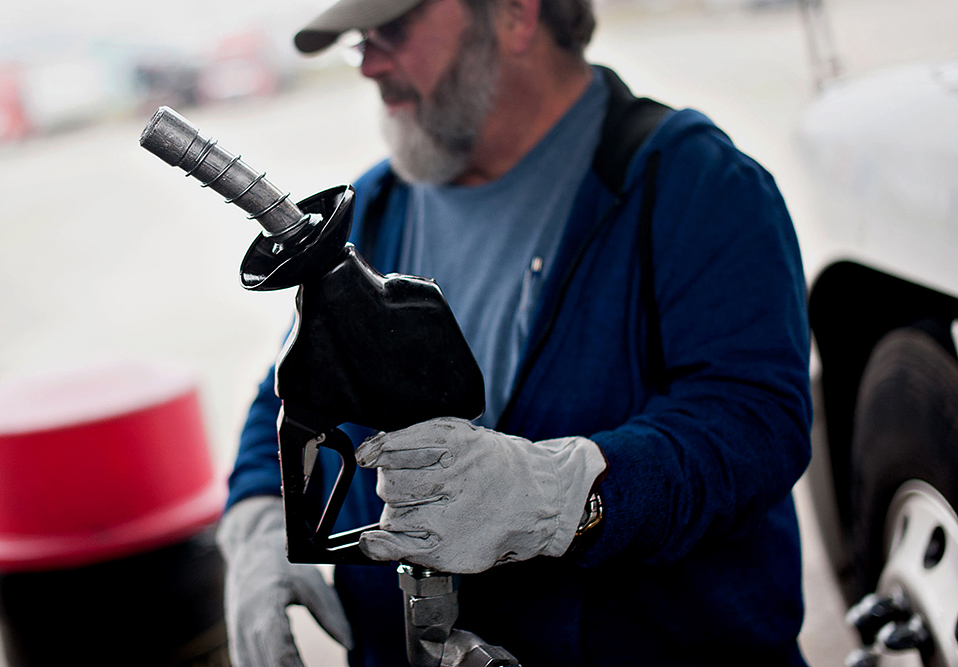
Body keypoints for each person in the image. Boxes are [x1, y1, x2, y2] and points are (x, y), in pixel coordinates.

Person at [216, 0, 812, 665]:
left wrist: (562, 492)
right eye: (360, 42)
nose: (371, 64)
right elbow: (290, 389)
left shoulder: (694, 187)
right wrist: (256, 521)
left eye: (393, 30)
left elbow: (755, 423)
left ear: (515, 15)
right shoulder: (376, 210)